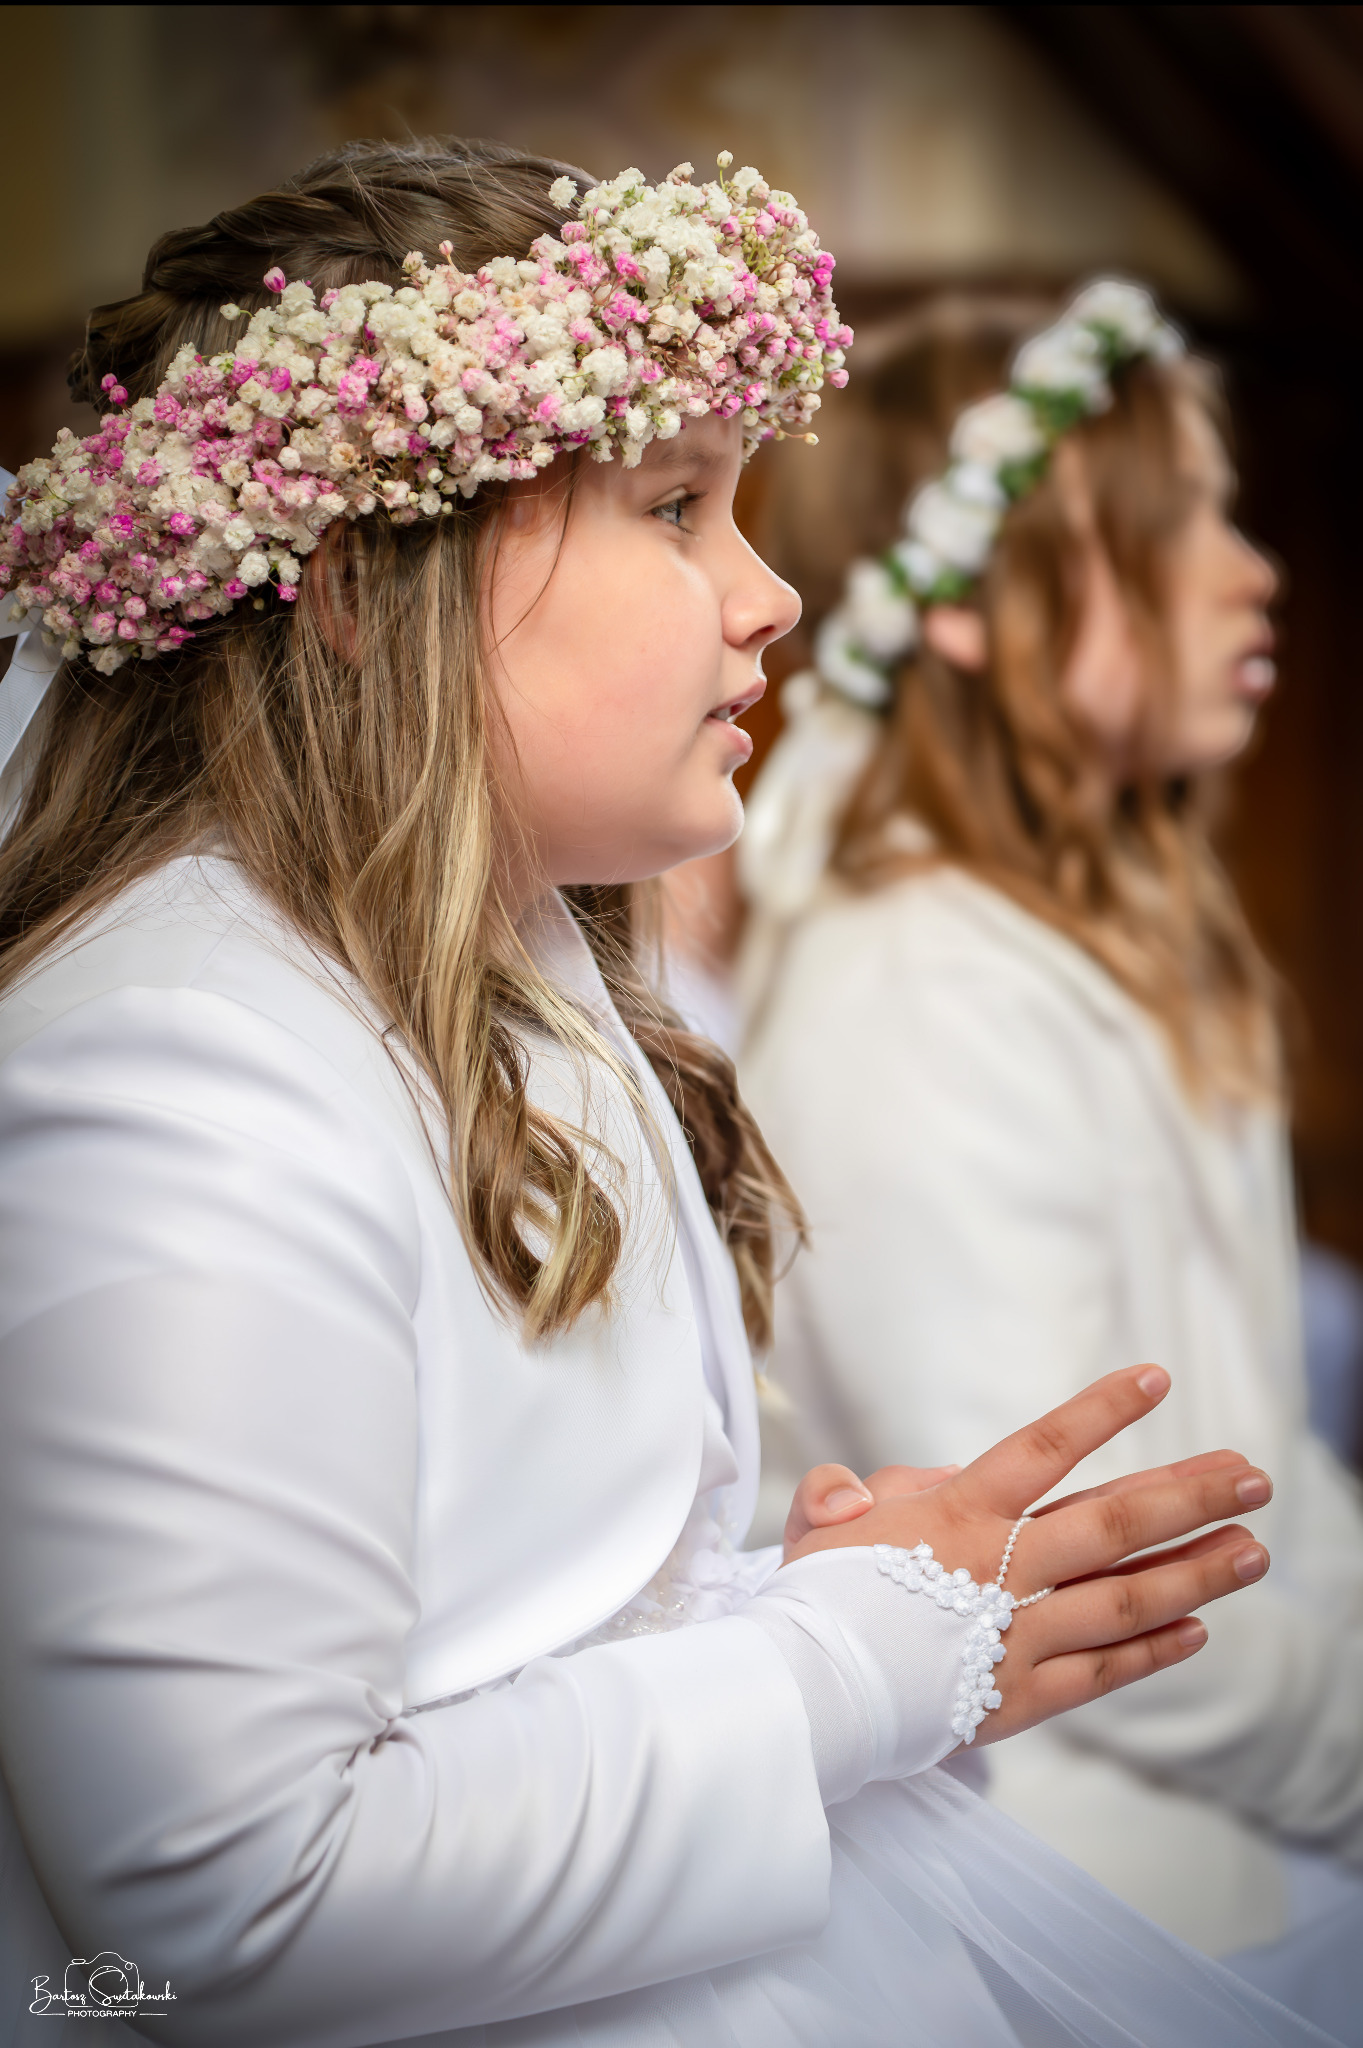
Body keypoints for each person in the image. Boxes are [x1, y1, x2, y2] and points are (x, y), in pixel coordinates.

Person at [0, 143, 1325, 2048]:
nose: (772, 592)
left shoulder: (512, 970)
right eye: (678, 507)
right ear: (371, 584)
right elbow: (226, 1900)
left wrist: (828, 1592)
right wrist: (850, 1662)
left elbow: (516, 1629)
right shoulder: (175, 1081)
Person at [738, 284, 1363, 2029]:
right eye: (1185, 521)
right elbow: (1062, 1555)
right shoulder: (915, 991)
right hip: (1105, 1908)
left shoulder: (1102, 947)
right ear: (975, 611)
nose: (1253, 571)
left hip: (1253, 1834)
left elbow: (1273, 1475)